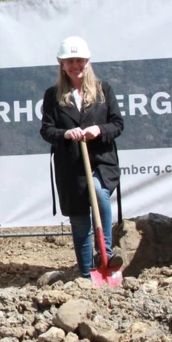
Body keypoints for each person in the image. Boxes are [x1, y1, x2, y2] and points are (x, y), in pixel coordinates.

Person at [40, 36, 124, 277]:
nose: (75, 66)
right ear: (62, 65)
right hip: (70, 166)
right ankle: (86, 273)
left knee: (99, 193)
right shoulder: (53, 95)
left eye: (79, 60)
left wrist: (99, 130)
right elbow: (46, 130)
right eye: (69, 61)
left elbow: (117, 124)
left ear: (87, 62)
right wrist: (66, 133)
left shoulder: (103, 90)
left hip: (101, 161)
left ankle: (106, 253)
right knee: (79, 221)